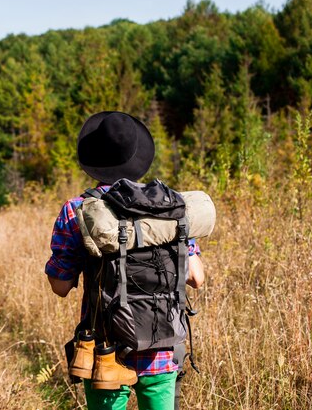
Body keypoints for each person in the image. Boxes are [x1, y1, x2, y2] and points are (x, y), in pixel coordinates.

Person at [45, 111, 205, 410]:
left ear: (92, 161)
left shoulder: (78, 209)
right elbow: (196, 277)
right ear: (138, 157)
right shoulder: (166, 206)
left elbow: (60, 286)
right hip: (162, 345)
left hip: (106, 351)